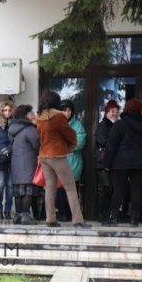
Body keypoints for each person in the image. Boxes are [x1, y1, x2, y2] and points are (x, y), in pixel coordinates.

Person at [35, 91, 90, 228]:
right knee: (70, 188)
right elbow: (69, 134)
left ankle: (50, 219)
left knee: (49, 188)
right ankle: (78, 220)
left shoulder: (39, 117)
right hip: (58, 155)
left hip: (44, 155)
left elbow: (39, 136)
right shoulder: (58, 116)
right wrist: (71, 145)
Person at [103, 98, 142, 227]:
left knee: (118, 190)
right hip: (140, 163)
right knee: (137, 191)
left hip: (121, 162)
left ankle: (113, 217)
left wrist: (107, 164)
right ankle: (134, 219)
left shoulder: (119, 124)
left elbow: (111, 146)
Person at [55, 99, 86, 221]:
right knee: (59, 189)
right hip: (57, 161)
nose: (67, 113)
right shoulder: (55, 124)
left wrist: (62, 144)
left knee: (70, 189)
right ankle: (61, 213)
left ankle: (70, 214)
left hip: (73, 162)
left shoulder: (77, 125)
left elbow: (79, 142)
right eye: (64, 110)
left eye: (69, 110)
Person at [9, 104, 40, 225]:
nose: (33, 114)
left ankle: (18, 216)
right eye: (31, 112)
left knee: (18, 191)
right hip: (28, 162)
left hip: (16, 163)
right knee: (28, 190)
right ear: (26, 115)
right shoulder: (30, 129)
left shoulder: (12, 128)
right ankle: (25, 216)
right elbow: (37, 145)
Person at [95, 100, 120, 222]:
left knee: (112, 188)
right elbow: (102, 141)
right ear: (106, 113)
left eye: (117, 111)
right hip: (103, 161)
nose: (115, 114)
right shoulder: (103, 125)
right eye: (112, 111)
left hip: (113, 161)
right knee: (107, 187)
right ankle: (101, 213)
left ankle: (108, 213)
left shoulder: (117, 125)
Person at [0, 99, 15, 219]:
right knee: (1, 185)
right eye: (5, 110)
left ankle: (7, 211)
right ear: (1, 111)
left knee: (10, 186)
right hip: (0, 159)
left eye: (9, 110)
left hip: (13, 159)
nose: (7, 112)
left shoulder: (14, 124)